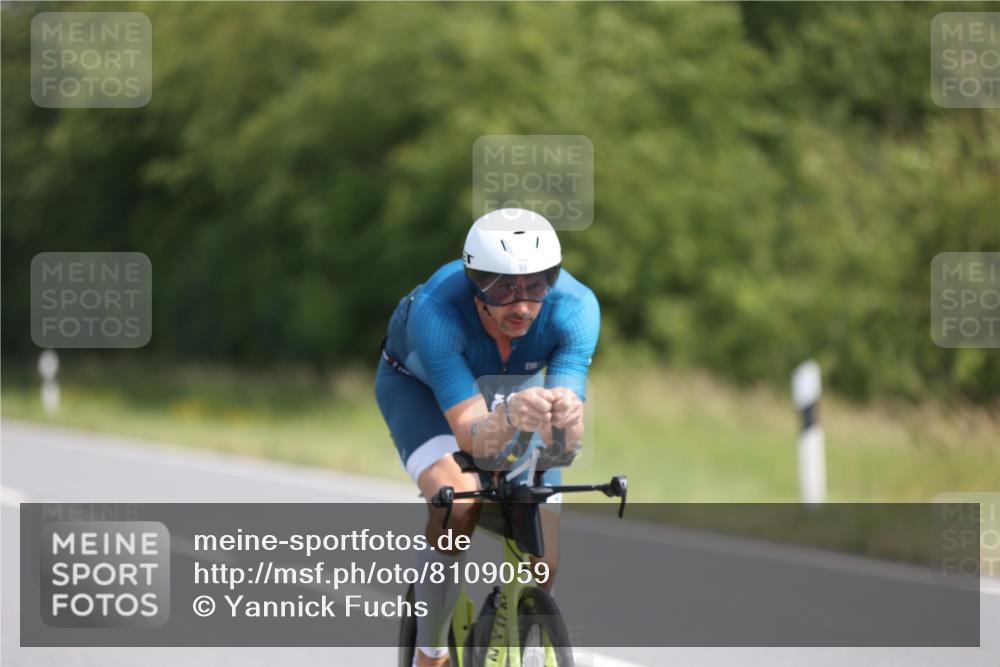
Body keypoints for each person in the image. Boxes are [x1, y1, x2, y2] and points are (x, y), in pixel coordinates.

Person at [375, 207, 600, 667]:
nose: (521, 306)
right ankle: (430, 653)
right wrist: (513, 414)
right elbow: (473, 439)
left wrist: (567, 419)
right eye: (502, 288)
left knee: (543, 561)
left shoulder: (576, 310)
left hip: (506, 392)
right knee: (458, 501)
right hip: (420, 392)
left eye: (537, 284)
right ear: (474, 281)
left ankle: (503, 624)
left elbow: (565, 447)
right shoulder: (437, 310)